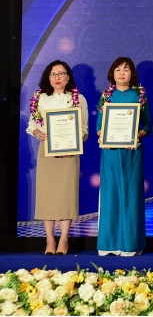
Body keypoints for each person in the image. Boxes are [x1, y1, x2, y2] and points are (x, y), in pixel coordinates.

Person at [26, 60, 89, 255]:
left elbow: (84, 130)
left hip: (69, 153)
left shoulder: (78, 99)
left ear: (68, 77)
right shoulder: (40, 98)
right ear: (48, 77)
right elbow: (32, 125)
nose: (57, 77)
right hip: (47, 152)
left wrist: (74, 141)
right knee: (48, 195)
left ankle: (64, 239)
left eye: (61, 74)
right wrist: (38, 133)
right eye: (53, 74)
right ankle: (49, 240)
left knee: (66, 195)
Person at [96, 57, 151, 256]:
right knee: (110, 196)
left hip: (132, 153)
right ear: (112, 73)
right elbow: (99, 125)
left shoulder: (139, 95)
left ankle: (130, 245)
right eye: (118, 69)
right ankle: (108, 245)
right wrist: (102, 134)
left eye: (126, 69)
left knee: (130, 196)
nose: (121, 73)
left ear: (131, 73)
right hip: (110, 153)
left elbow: (147, 125)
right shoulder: (106, 96)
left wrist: (138, 134)